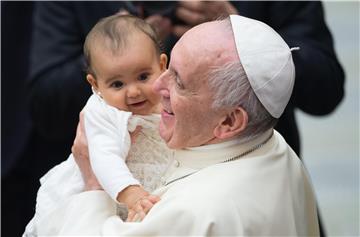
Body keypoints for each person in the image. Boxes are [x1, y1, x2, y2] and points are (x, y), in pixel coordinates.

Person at [35, 15, 320, 236]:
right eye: (169, 68)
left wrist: (94, 186)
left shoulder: (191, 214)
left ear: (229, 121)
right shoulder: (278, 150)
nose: (158, 86)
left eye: (179, 82)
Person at [23, 15, 173, 236]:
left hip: (152, 182)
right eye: (117, 84)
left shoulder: (168, 94)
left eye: (143, 76)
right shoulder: (102, 112)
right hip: (111, 188)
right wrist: (131, 194)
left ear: (161, 65)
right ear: (96, 84)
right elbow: (104, 158)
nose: (133, 91)